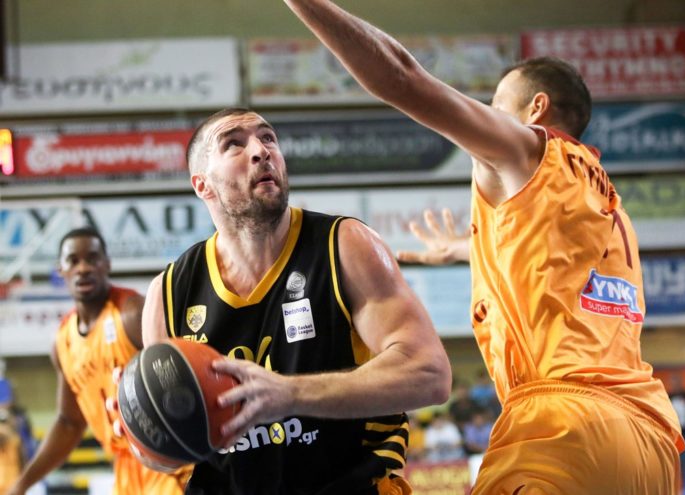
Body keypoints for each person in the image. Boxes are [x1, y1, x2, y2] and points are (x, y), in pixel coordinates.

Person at [282, 1, 685, 493]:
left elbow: (402, 77)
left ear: (536, 108)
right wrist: (466, 248)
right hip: (652, 437)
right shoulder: (606, 202)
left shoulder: (527, 149)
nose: (489, 115)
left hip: (565, 425)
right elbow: (553, 266)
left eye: (496, 104)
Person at [140, 108, 452, 494]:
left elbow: (429, 374)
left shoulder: (344, 245)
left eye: (268, 138)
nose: (261, 150)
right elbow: (166, 454)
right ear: (203, 185)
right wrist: (142, 428)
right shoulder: (169, 292)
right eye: (233, 144)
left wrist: (290, 395)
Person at [8, 227, 190, 495]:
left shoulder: (131, 314)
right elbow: (69, 423)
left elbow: (186, 376)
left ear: (107, 264)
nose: (83, 268)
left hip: (168, 461)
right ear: (61, 270)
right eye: (73, 261)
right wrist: (22, 484)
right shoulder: (63, 341)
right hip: (125, 469)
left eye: (92, 259)